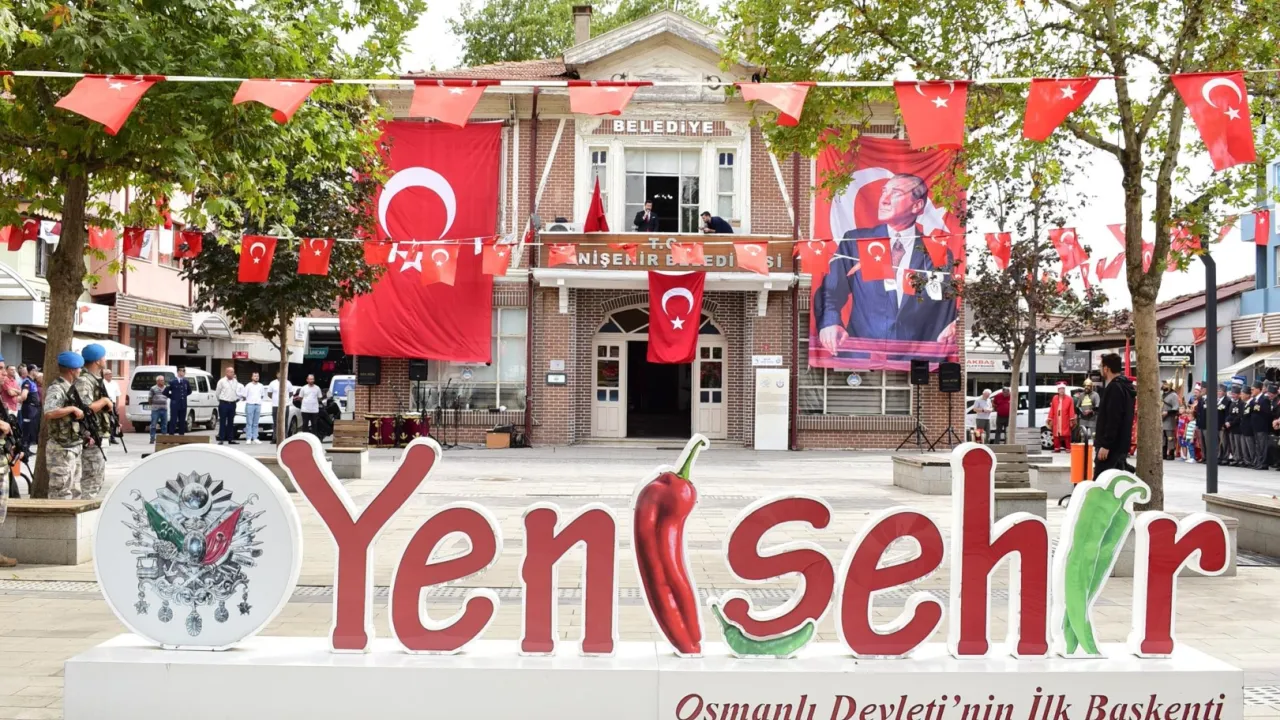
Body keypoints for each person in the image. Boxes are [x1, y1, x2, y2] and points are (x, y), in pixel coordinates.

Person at [816, 173, 958, 348]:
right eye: (884, 192)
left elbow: (946, 305)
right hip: (862, 353)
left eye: (896, 193)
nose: (884, 200)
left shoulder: (937, 253)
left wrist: (953, 323)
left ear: (917, 205)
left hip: (916, 355)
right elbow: (830, 290)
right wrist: (830, 322)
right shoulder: (856, 242)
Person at [43, 351, 86, 500]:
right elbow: (49, 412)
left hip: (72, 445)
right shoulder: (57, 388)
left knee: (75, 490)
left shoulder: (70, 388)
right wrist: (72, 409)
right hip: (60, 449)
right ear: (72, 370)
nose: (80, 371)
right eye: (79, 368)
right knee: (60, 492)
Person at [73, 344, 114, 498]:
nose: (105, 360)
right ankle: (85, 508)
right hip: (90, 435)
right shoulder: (84, 381)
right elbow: (84, 409)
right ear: (97, 360)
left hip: (99, 433)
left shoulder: (95, 379)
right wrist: (104, 401)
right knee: (91, 480)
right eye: (103, 357)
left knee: (97, 478)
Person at [1093, 353, 1135, 478]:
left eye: (1101, 367)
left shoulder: (1115, 388)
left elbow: (1113, 418)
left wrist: (1106, 445)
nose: (1100, 369)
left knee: (1102, 482)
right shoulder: (1125, 386)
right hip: (1119, 445)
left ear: (1106, 368)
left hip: (1111, 449)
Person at [215, 366, 240, 445]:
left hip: (232, 403)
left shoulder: (235, 381)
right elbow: (217, 393)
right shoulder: (221, 381)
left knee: (231, 422)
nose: (233, 373)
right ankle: (221, 438)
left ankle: (230, 438)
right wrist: (221, 400)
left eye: (233, 372)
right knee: (222, 421)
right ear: (227, 372)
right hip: (224, 403)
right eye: (231, 372)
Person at [1048, 383, 1076, 453]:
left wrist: (1071, 419)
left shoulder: (1069, 399)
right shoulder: (1054, 398)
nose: (1061, 390)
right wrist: (1050, 418)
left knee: (1067, 434)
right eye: (1060, 389)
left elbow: (1071, 410)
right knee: (1056, 434)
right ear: (1058, 390)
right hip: (1056, 419)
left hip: (1065, 419)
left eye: (1063, 389)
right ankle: (1057, 448)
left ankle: (1068, 448)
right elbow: (1052, 409)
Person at [1253, 381, 1274, 470]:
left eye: (1253, 389)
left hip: (1262, 426)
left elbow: (1267, 413)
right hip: (1256, 426)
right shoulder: (1255, 399)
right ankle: (1259, 462)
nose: (1252, 391)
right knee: (1258, 445)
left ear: (1258, 389)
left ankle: (1263, 463)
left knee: (1262, 446)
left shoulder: (1264, 399)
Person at [19, 363, 40, 453]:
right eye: (36, 370)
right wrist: (19, 399)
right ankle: (24, 450)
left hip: (33, 409)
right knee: (27, 429)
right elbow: (24, 395)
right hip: (29, 408)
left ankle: (28, 449)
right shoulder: (27, 382)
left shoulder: (32, 381)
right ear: (32, 371)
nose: (37, 372)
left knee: (32, 428)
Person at [242, 371, 266, 444]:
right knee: (249, 422)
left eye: (257, 376)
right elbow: (244, 396)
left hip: (258, 405)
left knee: (256, 423)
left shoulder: (261, 386)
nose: (256, 377)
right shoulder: (248, 385)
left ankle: (255, 437)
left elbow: (262, 395)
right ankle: (248, 438)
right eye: (255, 376)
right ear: (252, 377)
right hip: (250, 405)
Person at [167, 367, 191, 435]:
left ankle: (181, 436)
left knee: (182, 421)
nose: (183, 373)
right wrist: (172, 397)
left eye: (184, 371)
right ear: (178, 372)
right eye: (181, 371)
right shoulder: (172, 381)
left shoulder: (186, 382)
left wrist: (184, 396)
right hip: (175, 405)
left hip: (183, 404)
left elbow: (189, 391)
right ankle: (171, 435)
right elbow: (165, 392)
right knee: (173, 420)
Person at [1161, 381, 1180, 460]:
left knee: (1170, 437)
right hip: (1161, 419)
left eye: (1165, 384)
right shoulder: (1161, 394)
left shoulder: (1173, 395)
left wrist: (1167, 412)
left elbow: (1176, 408)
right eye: (1163, 384)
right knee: (1162, 437)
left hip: (1169, 419)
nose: (1163, 386)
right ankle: (1163, 453)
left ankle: (1171, 454)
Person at [147, 375, 169, 444]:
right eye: (161, 380)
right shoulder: (153, 388)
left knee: (164, 425)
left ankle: (164, 439)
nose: (163, 381)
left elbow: (168, 396)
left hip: (164, 409)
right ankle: (152, 438)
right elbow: (150, 398)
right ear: (157, 381)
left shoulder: (166, 388)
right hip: (155, 410)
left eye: (163, 380)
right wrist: (153, 405)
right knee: (153, 425)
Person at [102, 368, 121, 444]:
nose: (111, 375)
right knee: (106, 421)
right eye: (109, 374)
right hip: (104, 404)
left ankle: (112, 437)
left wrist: (117, 406)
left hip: (113, 404)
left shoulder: (114, 383)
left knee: (114, 422)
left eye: (111, 374)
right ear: (104, 375)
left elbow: (117, 395)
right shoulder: (102, 383)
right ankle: (106, 438)